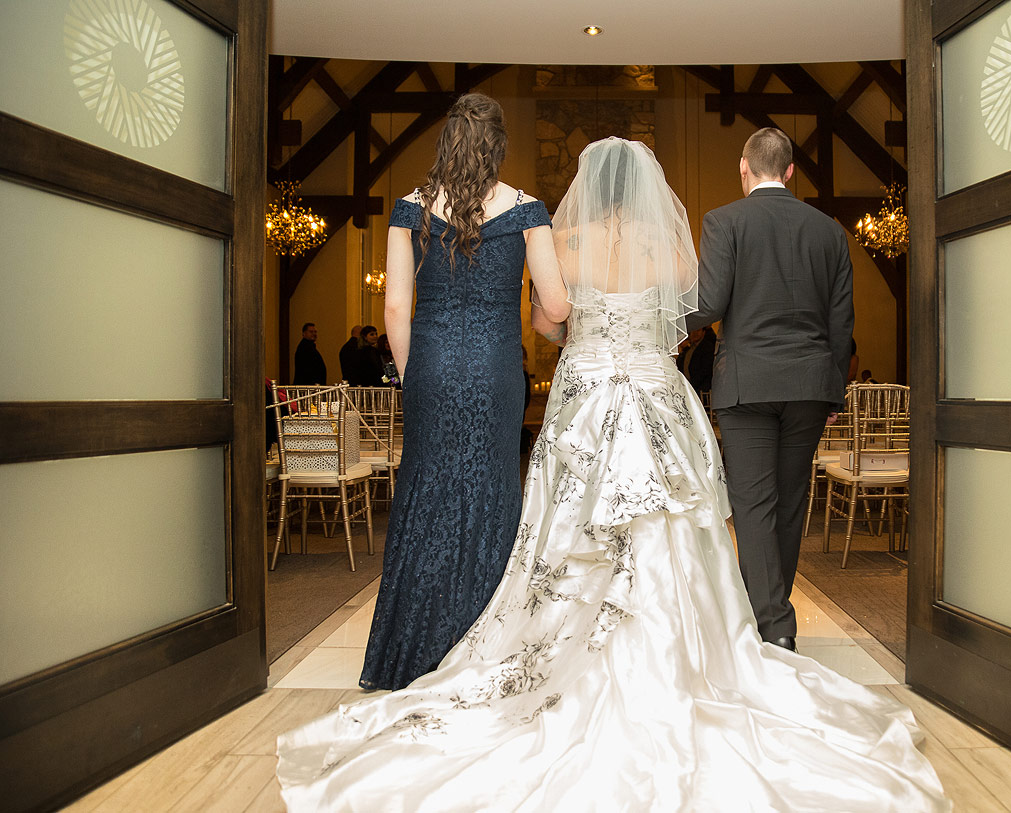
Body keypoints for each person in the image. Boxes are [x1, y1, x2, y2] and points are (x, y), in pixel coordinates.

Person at [276, 138, 948, 812]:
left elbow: (550, 320)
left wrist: (570, 327)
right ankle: (703, 655)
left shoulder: (564, 237)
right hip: (657, 393)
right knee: (681, 529)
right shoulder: (670, 241)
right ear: (647, 185)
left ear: (590, 183)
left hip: (588, 395)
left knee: (565, 528)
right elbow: (685, 318)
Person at [355, 93, 569, 692]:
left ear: (446, 141)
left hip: (430, 363)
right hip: (496, 367)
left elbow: (396, 306)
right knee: (492, 489)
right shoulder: (526, 209)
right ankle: (488, 652)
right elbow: (554, 308)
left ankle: (415, 652)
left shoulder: (409, 209)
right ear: (498, 146)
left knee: (426, 491)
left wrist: (412, 373)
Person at [686, 127, 854, 652]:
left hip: (748, 384)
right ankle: (775, 614)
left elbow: (709, 303)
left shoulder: (724, 221)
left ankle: (774, 624)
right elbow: (841, 323)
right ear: (789, 171)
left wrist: (659, 321)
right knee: (789, 503)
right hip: (808, 384)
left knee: (753, 503)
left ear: (744, 168)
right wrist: (832, 391)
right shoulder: (828, 232)